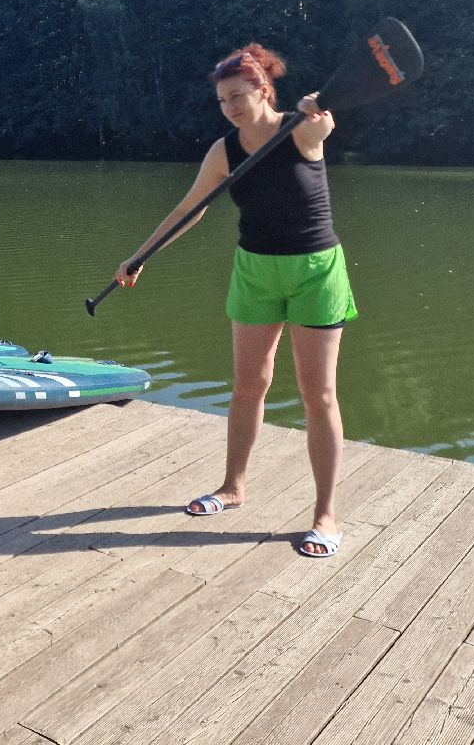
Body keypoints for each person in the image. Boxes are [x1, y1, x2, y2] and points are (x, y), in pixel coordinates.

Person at [114, 44, 355, 558]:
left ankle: (326, 515)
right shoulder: (226, 149)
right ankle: (233, 487)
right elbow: (190, 208)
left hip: (315, 271)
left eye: (238, 96)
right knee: (249, 385)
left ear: (263, 91)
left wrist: (319, 110)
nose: (230, 108)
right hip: (254, 272)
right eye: (223, 100)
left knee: (320, 396)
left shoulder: (302, 127)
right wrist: (140, 256)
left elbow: (325, 127)